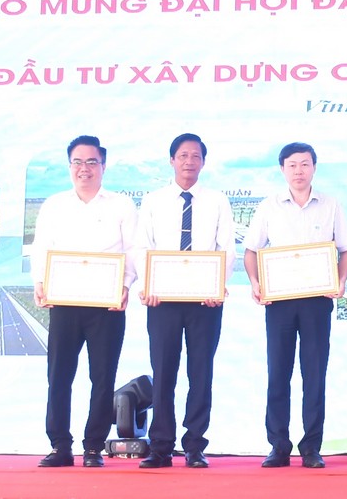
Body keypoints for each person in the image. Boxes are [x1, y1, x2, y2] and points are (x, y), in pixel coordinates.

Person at [244, 143, 347, 469]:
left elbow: (346, 249)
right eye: (292, 165)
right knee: (278, 373)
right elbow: (251, 251)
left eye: (305, 164)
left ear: (314, 168)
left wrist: (340, 280)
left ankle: (311, 448)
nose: (298, 171)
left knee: (314, 374)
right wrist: (255, 283)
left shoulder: (331, 205)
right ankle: (278, 446)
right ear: (282, 169)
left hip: (317, 302)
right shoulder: (269, 206)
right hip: (279, 301)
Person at [31, 135, 137, 468]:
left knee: (102, 377)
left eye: (92, 162)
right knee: (59, 375)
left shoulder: (121, 205)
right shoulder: (54, 205)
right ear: (69, 166)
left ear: (103, 166)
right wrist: (40, 282)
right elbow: (41, 247)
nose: (84, 168)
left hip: (107, 305)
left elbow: (133, 250)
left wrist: (125, 285)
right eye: (78, 162)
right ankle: (60, 446)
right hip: (64, 302)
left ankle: (93, 448)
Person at [134, 133, 236, 469]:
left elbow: (226, 248)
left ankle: (195, 446)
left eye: (195, 156)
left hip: (205, 301)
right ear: (172, 160)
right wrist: (148, 284)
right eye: (182, 155)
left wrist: (217, 286)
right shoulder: (153, 201)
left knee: (200, 373)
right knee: (163, 372)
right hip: (162, 300)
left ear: (203, 162)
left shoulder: (217, 201)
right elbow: (142, 246)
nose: (189, 161)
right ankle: (161, 446)